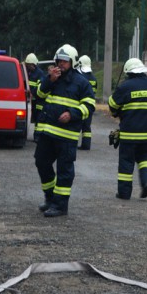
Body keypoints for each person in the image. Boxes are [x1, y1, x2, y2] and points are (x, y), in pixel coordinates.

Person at [34, 44, 96, 217]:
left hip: (67, 136)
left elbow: (90, 105)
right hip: (48, 133)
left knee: (64, 171)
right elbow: (38, 94)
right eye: (59, 60)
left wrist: (72, 114)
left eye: (65, 61)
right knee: (41, 162)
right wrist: (49, 80)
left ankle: (60, 206)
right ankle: (50, 198)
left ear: (73, 62)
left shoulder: (81, 83)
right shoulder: (52, 78)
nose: (61, 64)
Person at [108, 57, 147, 200]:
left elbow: (112, 106)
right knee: (145, 158)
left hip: (129, 134)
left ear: (128, 72)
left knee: (126, 162)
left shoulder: (124, 86)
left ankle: (124, 193)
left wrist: (119, 111)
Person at [77, 55, 97, 150]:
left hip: (80, 104)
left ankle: (73, 143)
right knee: (87, 127)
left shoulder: (80, 77)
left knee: (77, 125)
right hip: (90, 105)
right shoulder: (94, 78)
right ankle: (86, 145)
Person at [24, 53, 45, 142]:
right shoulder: (25, 72)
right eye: (27, 65)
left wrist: (32, 93)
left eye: (30, 65)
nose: (29, 67)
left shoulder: (40, 73)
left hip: (37, 100)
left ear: (34, 64)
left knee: (38, 118)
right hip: (27, 100)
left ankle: (37, 136)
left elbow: (40, 86)